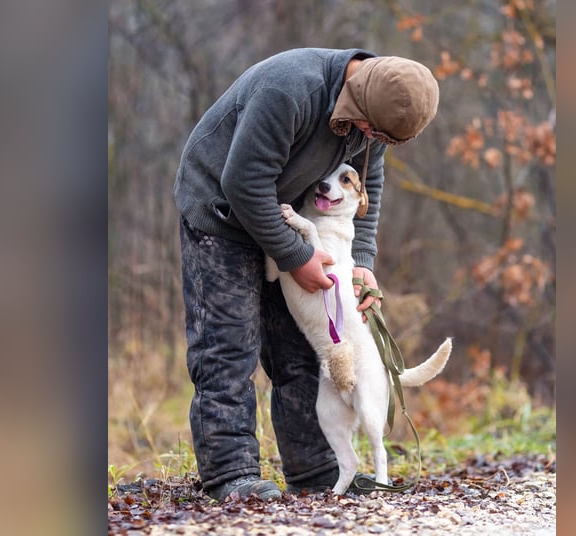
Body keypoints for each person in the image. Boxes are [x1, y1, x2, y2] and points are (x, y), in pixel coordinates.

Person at [174, 48, 439, 501]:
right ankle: (231, 476)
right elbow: (242, 182)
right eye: (371, 130)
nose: (370, 140)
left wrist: (361, 264)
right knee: (228, 347)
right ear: (360, 97)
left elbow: (366, 185)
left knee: (301, 351)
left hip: (289, 216)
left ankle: (316, 472)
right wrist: (295, 256)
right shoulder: (291, 89)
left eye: (381, 138)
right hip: (221, 212)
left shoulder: (374, 115)